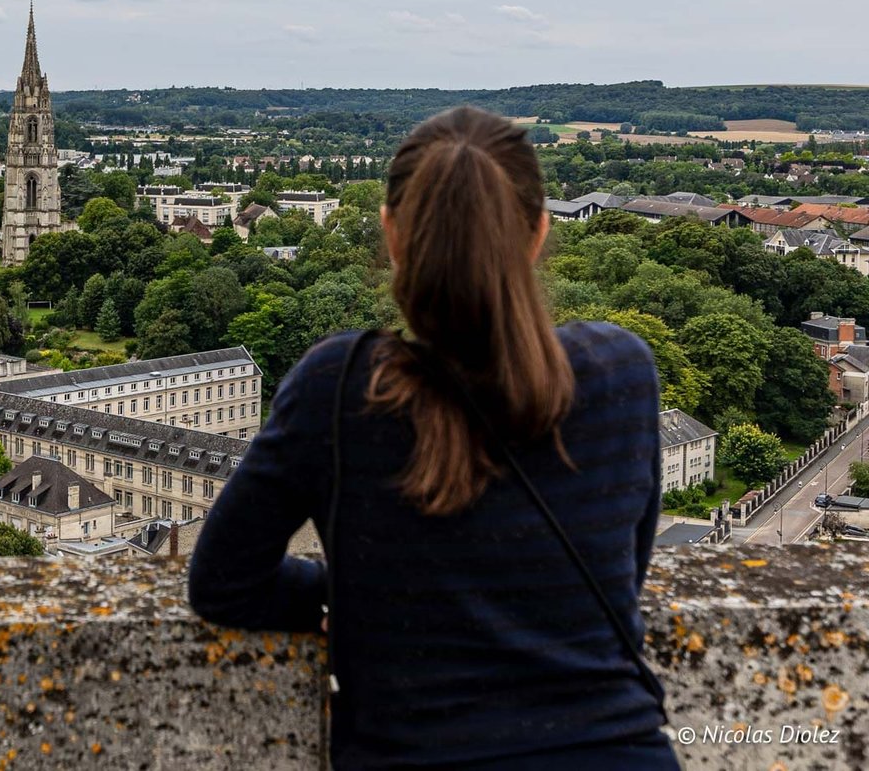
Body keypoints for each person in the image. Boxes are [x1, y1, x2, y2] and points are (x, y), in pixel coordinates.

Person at [189, 106, 677, 769]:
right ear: (537, 232)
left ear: (393, 234)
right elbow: (621, 572)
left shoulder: (337, 386)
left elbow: (223, 582)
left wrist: (345, 589)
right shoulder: (623, 369)